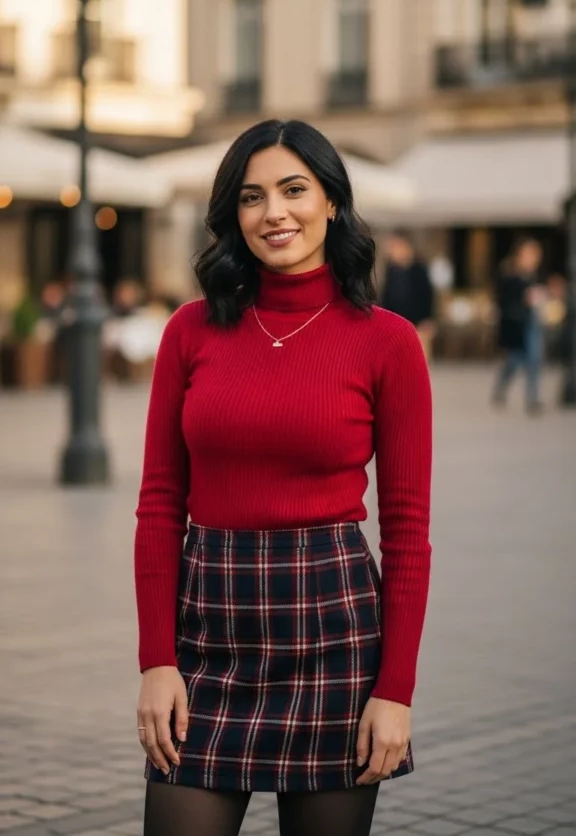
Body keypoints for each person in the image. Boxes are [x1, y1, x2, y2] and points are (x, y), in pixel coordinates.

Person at [134, 120, 433, 836]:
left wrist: (395, 692)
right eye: (251, 196)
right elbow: (158, 507)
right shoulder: (190, 331)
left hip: (334, 633)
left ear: (332, 201)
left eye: (294, 190)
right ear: (231, 215)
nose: (275, 213)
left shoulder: (388, 341)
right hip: (208, 634)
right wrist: (156, 663)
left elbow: (408, 533)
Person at [492, 238, 546, 414]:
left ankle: (532, 398)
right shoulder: (509, 275)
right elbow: (502, 301)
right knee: (513, 362)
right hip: (516, 325)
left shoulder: (533, 275)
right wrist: (524, 299)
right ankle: (501, 387)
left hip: (532, 323)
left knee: (534, 360)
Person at [379, 232, 435, 360]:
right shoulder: (392, 270)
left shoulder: (419, 269)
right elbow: (386, 296)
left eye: (396, 247)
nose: (393, 252)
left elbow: (428, 295)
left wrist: (428, 319)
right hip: (396, 322)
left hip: (418, 323)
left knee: (420, 358)